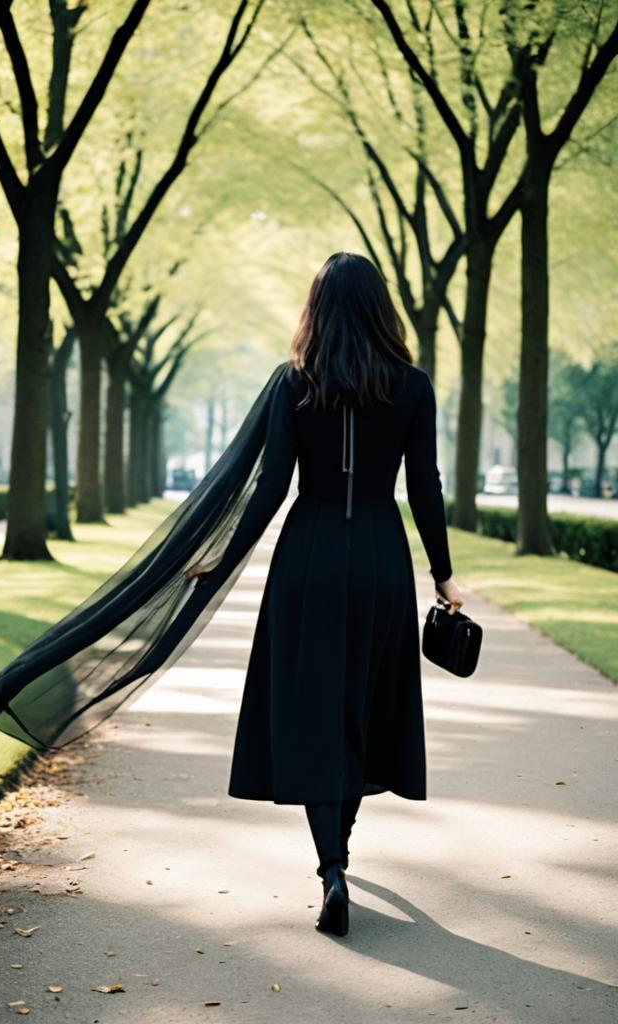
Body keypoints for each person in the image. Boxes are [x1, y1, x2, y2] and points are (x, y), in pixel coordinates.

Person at [184, 252, 463, 937]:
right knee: (363, 704)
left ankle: (331, 867)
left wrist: (221, 559)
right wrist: (443, 574)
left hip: (307, 558)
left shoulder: (293, 383)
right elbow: (423, 485)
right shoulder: (413, 385)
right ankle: (343, 846)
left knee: (313, 708)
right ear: (379, 306)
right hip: (379, 559)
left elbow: (269, 488)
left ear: (317, 309)